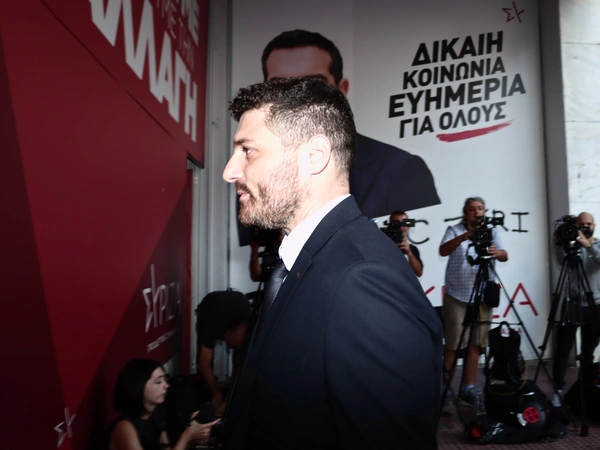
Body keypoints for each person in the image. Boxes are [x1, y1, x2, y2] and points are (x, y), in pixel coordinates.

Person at [222, 77, 443, 449]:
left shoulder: (364, 281)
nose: (230, 170)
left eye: (248, 150)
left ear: (314, 156)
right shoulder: (307, 257)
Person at [236, 29, 440, 246]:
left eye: (312, 86)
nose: (294, 103)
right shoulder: (249, 174)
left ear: (341, 90)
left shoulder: (402, 169)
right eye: (279, 89)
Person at [438, 197, 508, 413]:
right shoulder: (454, 229)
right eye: (472, 209)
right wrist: (464, 236)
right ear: (465, 213)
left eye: (480, 208)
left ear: (484, 211)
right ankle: (445, 391)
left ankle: (467, 389)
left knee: (476, 344)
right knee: (452, 345)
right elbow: (443, 251)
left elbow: (504, 255)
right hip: (457, 296)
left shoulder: (492, 231)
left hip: (482, 297)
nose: (477, 212)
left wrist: (497, 253)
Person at [105, 358, 219, 450]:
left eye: (165, 380)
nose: (166, 385)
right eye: (158, 382)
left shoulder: (156, 414)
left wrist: (194, 438)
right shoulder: (125, 427)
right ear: (139, 387)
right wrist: (187, 436)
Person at [551, 212, 600, 407]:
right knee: (563, 349)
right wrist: (557, 244)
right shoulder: (570, 244)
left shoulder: (597, 244)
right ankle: (557, 389)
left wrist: (589, 246)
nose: (585, 227)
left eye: (588, 224)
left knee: (588, 350)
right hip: (572, 302)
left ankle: (584, 388)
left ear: (594, 226)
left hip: (595, 304)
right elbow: (560, 262)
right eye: (581, 224)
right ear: (576, 225)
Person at [195, 290, 250, 415]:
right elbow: (203, 365)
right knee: (205, 362)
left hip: (238, 303)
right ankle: (208, 393)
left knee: (242, 360)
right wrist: (216, 394)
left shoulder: (250, 324)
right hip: (210, 308)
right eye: (233, 345)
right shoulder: (210, 324)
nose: (230, 348)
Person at [384, 210, 423, 277]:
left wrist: (409, 253)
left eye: (405, 223)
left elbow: (419, 273)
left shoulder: (411, 249)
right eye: (397, 224)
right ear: (390, 226)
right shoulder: (382, 246)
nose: (401, 227)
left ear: (409, 226)